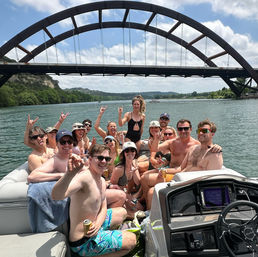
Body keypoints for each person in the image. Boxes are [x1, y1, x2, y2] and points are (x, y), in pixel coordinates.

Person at [51, 144, 136, 257]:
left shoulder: (101, 179)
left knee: (122, 212)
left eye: (107, 159)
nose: (104, 161)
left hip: (94, 225)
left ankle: (105, 236)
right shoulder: (84, 178)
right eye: (100, 158)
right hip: (83, 241)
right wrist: (69, 174)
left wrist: (98, 224)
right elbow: (56, 196)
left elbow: (104, 206)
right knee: (132, 240)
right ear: (90, 159)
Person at [110, 142, 143, 218]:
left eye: (132, 150)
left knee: (141, 208)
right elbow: (111, 186)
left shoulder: (134, 165)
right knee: (134, 212)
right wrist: (125, 197)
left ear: (135, 153)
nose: (130, 153)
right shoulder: (119, 169)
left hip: (127, 193)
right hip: (118, 194)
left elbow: (138, 182)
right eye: (127, 151)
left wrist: (135, 171)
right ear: (123, 153)